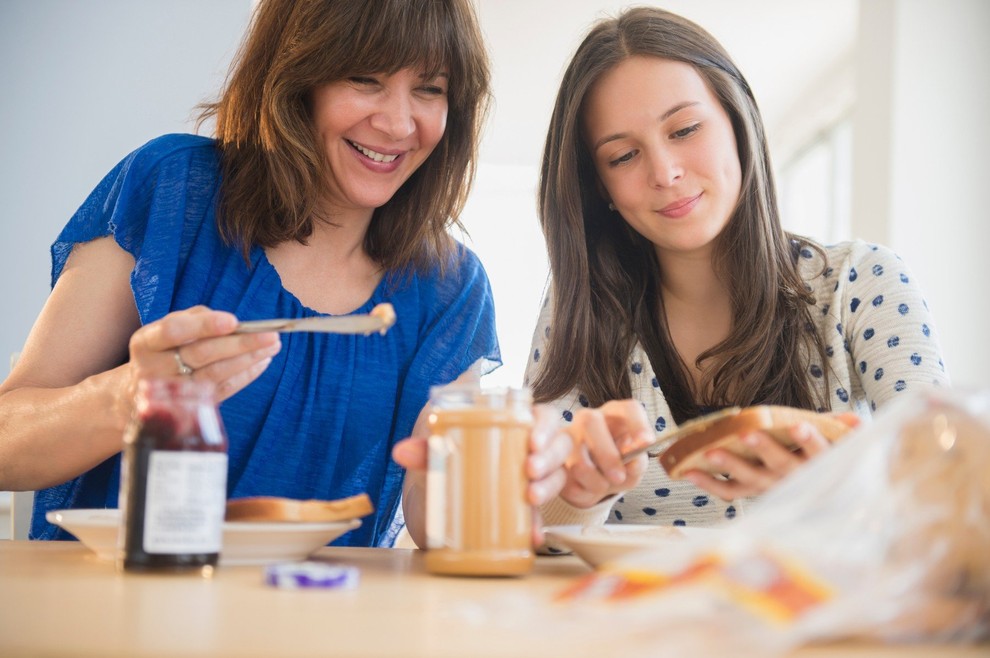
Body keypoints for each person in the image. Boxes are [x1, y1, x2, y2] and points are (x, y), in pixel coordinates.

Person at [0, 0, 568, 548]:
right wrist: (127, 397)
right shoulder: (172, 192)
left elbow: (436, 512)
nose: (398, 123)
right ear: (298, 77)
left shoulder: (450, 288)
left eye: (430, 89)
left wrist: (522, 476)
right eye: (365, 78)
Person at [525, 6, 950, 532]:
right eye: (622, 156)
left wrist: (845, 488)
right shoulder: (582, 310)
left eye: (684, 129)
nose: (665, 172)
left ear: (738, 122)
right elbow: (532, 527)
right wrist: (578, 498)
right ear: (600, 189)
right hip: (635, 612)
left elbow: (953, 495)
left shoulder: (861, 283)